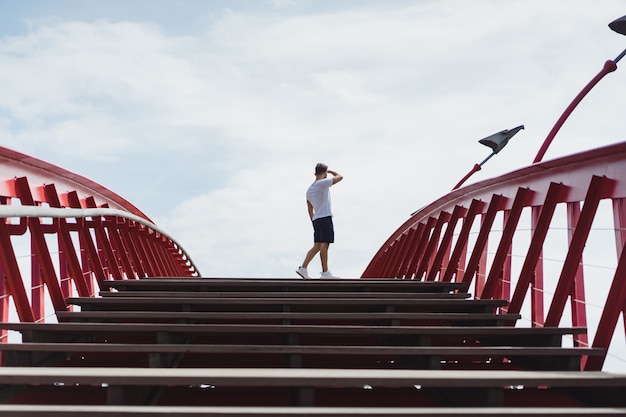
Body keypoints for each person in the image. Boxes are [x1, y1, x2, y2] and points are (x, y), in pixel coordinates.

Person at [296, 163, 343, 279]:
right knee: (324, 245)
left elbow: (309, 208)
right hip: (325, 216)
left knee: (317, 245)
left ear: (315, 173)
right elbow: (340, 177)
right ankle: (325, 272)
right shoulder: (322, 183)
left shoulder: (309, 190)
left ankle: (303, 268)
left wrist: (313, 220)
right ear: (325, 173)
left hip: (317, 219)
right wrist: (331, 171)